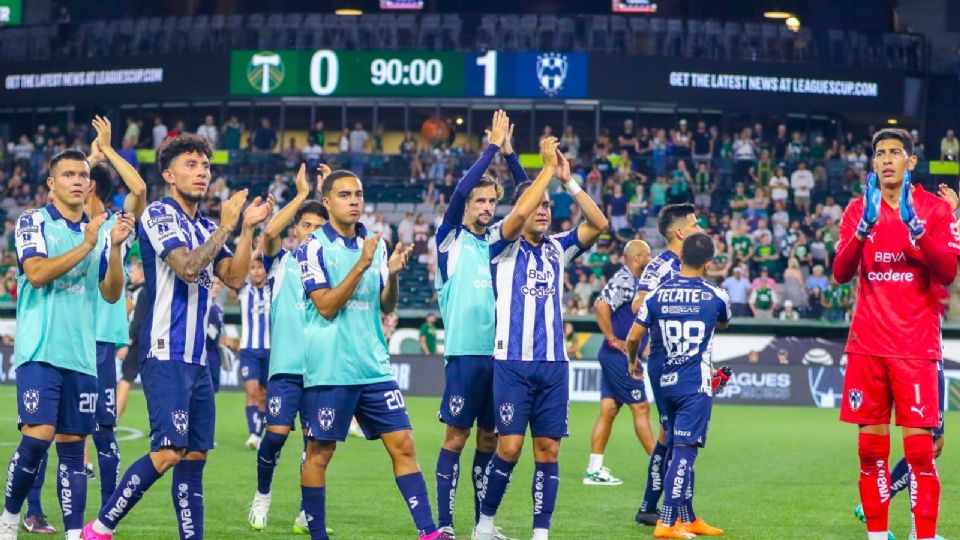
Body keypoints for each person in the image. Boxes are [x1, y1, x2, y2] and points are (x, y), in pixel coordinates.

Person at [82, 133, 274, 540]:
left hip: (198, 359)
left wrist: (244, 231)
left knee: (195, 455)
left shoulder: (206, 225)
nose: (202, 172)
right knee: (168, 451)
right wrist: (225, 227)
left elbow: (235, 277)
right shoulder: (158, 215)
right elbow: (187, 267)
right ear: (169, 174)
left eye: (205, 166)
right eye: (191, 164)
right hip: (165, 351)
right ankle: (100, 528)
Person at [296, 168, 447, 540]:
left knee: (404, 445)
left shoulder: (376, 244)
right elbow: (326, 306)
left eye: (358, 195)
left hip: (374, 367)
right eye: (345, 195)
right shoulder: (312, 247)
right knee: (319, 453)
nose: (354, 202)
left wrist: (391, 274)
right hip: (331, 369)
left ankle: (428, 532)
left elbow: (385, 304)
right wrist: (362, 264)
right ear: (327, 201)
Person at [473, 136, 607, 540]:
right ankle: (485, 524)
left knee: (548, 452)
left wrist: (569, 183)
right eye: (540, 205)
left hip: (554, 365)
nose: (545, 211)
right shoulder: (500, 241)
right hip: (512, 363)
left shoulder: (558, 248)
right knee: (509, 449)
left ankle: (540, 533)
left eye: (549, 206)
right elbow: (516, 217)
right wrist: (545, 170)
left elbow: (599, 225)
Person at [833, 128, 959, 540]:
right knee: (870, 452)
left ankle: (923, 537)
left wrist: (917, 231)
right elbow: (840, 273)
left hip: (916, 347)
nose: (887, 159)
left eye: (895, 152)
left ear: (911, 162)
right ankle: (876, 536)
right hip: (868, 345)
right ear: (873, 164)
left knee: (921, 453)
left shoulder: (936, 210)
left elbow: (948, 272)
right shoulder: (857, 209)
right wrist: (863, 229)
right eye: (880, 153)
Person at [1, 148, 131, 540]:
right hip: (40, 350)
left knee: (74, 448)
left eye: (82, 176)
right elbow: (37, 273)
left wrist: (114, 247)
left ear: (91, 185)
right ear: (51, 184)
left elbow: (110, 294)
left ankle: (75, 533)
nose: (76, 181)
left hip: (81, 357)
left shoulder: (99, 233)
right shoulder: (33, 222)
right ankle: (9, 517)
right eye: (68, 174)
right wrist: (89, 244)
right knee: (38, 438)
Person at [431, 111, 520, 540]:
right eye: (479, 201)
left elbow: (527, 202)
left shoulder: (500, 245)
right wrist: (490, 151)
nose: (486, 206)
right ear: (467, 205)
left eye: (490, 202)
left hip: (500, 355)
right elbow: (460, 188)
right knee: (456, 438)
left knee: (490, 441)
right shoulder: (449, 239)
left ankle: (482, 524)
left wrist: (511, 154)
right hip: (466, 355)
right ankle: (444, 524)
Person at [626, 232, 730, 539]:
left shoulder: (657, 294)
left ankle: (688, 517)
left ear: (680, 256)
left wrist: (633, 362)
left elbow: (633, 337)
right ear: (709, 262)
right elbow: (723, 321)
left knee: (672, 444)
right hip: (694, 384)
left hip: (664, 382)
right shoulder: (716, 295)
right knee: (685, 451)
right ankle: (666, 522)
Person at [247, 164, 332, 535]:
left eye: (319, 227)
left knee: (315, 446)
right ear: (296, 230)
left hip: (322, 370)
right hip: (285, 368)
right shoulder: (281, 261)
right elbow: (268, 233)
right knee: (277, 435)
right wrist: (301, 194)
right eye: (307, 226)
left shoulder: (334, 263)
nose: (312, 232)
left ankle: (306, 510)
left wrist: (328, 188)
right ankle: (262, 495)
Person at [84, 116, 147, 514]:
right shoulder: (62, 223)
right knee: (45, 431)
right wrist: (92, 158)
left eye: (82, 178)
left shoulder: (117, 223)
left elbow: (138, 188)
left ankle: (108, 512)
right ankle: (33, 510)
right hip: (66, 336)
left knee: (104, 430)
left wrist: (106, 153)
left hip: (102, 338)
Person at [632, 203, 702, 527]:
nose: (700, 227)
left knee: (668, 432)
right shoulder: (660, 265)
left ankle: (650, 505)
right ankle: (673, 513)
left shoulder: (689, 264)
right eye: (695, 223)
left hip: (686, 358)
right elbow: (638, 302)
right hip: (662, 357)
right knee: (677, 433)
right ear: (680, 232)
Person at [583, 240, 656, 486]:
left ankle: (594, 469)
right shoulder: (624, 280)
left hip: (619, 355)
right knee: (641, 408)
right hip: (620, 357)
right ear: (637, 259)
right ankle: (661, 466)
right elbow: (601, 305)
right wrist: (612, 338)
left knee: (609, 410)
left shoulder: (637, 282)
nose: (651, 259)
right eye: (648, 255)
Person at [238, 256, 272, 450]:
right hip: (249, 350)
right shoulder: (244, 289)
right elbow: (239, 267)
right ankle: (254, 433)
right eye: (253, 268)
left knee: (264, 395)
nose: (256, 271)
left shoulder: (273, 289)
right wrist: (257, 247)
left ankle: (261, 432)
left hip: (270, 349)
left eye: (260, 268)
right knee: (251, 391)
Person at [206, 279, 225, 393]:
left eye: (218, 284)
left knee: (212, 395)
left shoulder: (219, 309)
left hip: (213, 358)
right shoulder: (196, 307)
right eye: (212, 283)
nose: (215, 287)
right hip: (198, 359)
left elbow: (217, 336)